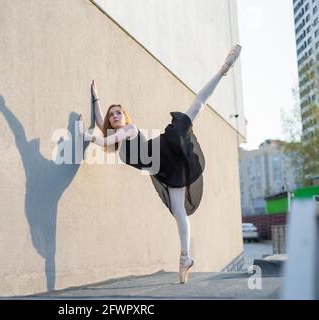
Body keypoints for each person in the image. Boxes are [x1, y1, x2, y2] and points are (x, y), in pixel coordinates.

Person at [78, 45, 242, 284]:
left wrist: (86, 134)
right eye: (112, 114)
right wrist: (95, 97)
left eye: (119, 113)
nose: (114, 116)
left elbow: (104, 138)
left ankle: (222, 70)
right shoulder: (115, 135)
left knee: (196, 107)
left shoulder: (129, 130)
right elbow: (103, 125)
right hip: (165, 168)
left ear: (126, 118)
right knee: (178, 212)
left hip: (166, 147)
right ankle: (185, 258)